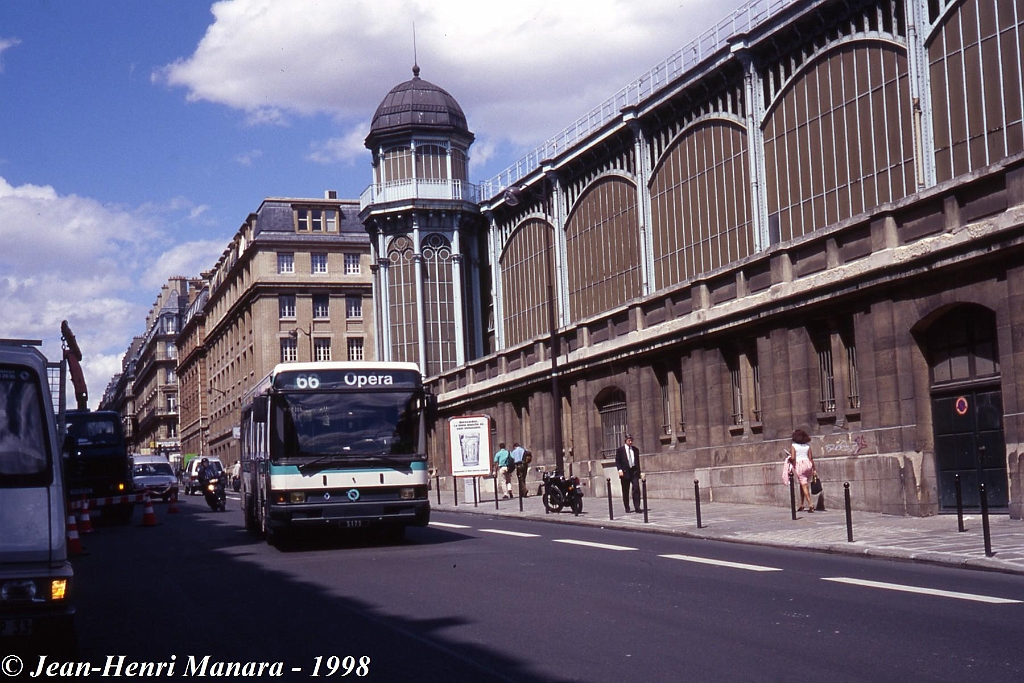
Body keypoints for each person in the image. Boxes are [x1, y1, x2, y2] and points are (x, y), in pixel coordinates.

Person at [788, 429, 816, 512]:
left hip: (800, 465)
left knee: (804, 485)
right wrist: (814, 469)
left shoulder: (794, 446)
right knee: (803, 483)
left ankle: (810, 504)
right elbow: (811, 458)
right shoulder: (807, 446)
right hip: (808, 464)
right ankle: (802, 504)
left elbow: (793, 458)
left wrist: (789, 458)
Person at [614, 434, 642, 513]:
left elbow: (637, 462)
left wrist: (639, 472)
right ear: (625, 441)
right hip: (625, 472)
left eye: (631, 440)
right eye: (629, 440)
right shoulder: (620, 450)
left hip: (633, 471)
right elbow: (617, 461)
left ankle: (637, 506)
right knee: (625, 490)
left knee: (636, 488)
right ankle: (627, 506)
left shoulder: (635, 450)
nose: (630, 442)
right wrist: (620, 470)